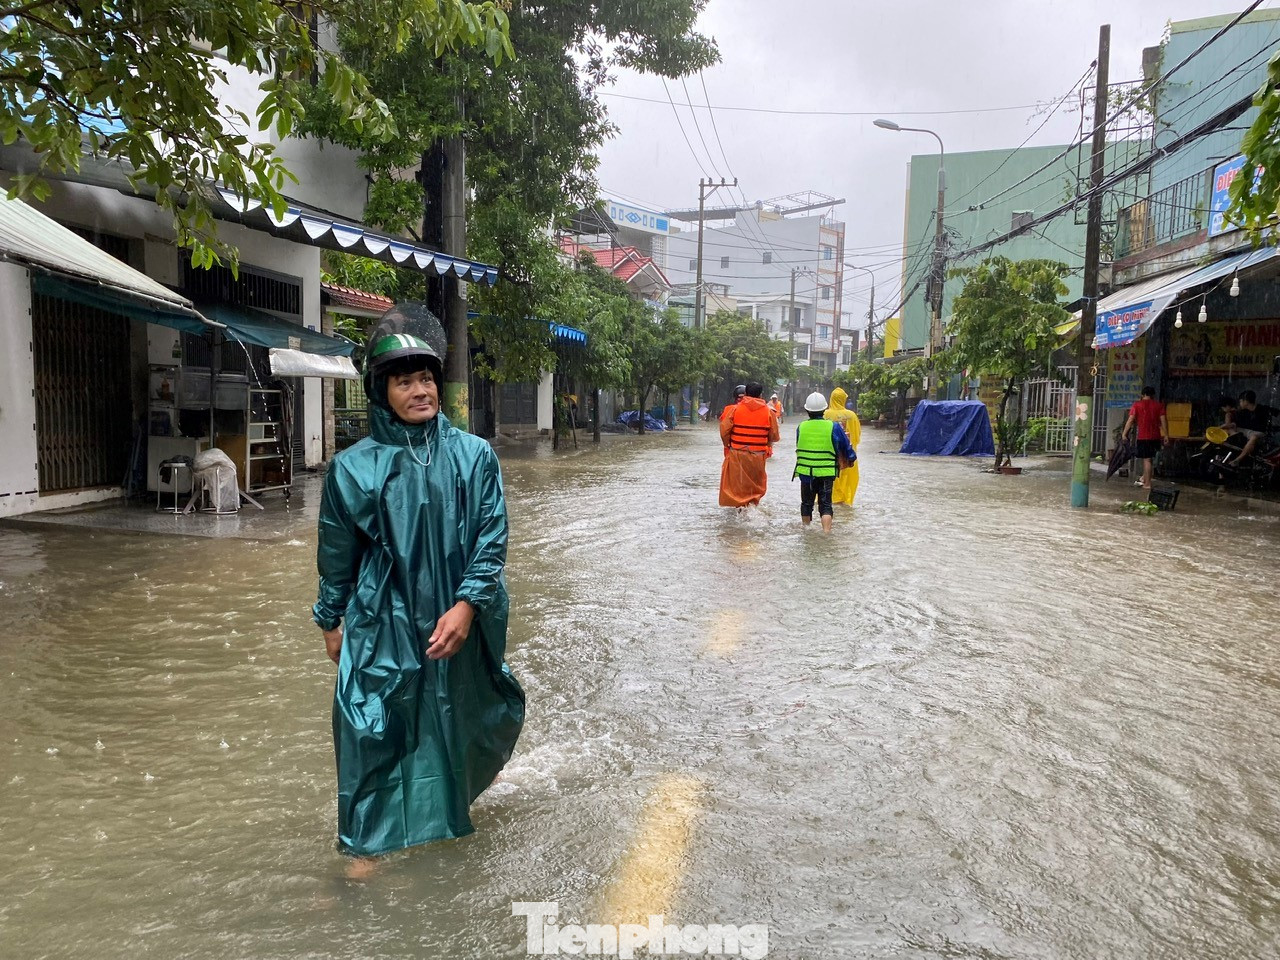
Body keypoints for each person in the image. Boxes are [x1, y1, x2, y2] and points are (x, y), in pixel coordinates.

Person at [313, 318, 526, 871]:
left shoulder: (475, 455)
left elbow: (491, 535)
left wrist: (467, 605)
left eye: (426, 379)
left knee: (458, 713)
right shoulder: (351, 468)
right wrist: (331, 621)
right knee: (366, 723)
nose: (420, 391)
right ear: (382, 393)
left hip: (458, 612)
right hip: (382, 613)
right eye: (404, 382)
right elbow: (337, 553)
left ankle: (446, 808)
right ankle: (365, 843)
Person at [795, 392, 857, 532]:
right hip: (826, 472)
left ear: (807, 410)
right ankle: (826, 534)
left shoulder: (801, 427)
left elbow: (799, 445)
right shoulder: (833, 427)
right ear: (824, 410)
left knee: (806, 503)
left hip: (806, 472)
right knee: (825, 504)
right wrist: (851, 457)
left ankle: (806, 530)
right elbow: (846, 446)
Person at [719, 381, 780, 507]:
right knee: (755, 487)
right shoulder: (769, 412)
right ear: (761, 395)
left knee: (737, 486)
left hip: (737, 454)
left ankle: (740, 510)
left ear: (746, 393)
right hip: (758, 455)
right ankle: (751, 510)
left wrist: (728, 445)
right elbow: (774, 436)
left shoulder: (735, 410)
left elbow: (724, 431)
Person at [1122, 385, 1168, 489]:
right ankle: (1144, 478)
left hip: (1143, 437)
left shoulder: (1137, 405)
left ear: (1142, 395)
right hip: (1155, 436)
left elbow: (1130, 421)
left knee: (1146, 460)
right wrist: (1166, 435)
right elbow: (1163, 421)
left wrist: (1124, 433)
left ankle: (1147, 484)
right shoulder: (1159, 405)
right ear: (1153, 395)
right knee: (1150, 459)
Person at [823, 386, 862, 506]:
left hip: (828, 455)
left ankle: (831, 503)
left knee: (829, 481)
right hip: (847, 455)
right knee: (845, 478)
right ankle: (842, 504)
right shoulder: (851, 415)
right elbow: (857, 435)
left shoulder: (825, 414)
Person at [1223, 389, 1276, 467]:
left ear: (1246, 401)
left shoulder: (1263, 409)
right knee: (1228, 430)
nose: (1240, 403)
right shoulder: (1243, 412)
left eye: (1241, 401)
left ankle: (1238, 459)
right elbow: (1236, 424)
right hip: (1246, 431)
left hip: (1258, 433)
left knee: (1253, 437)